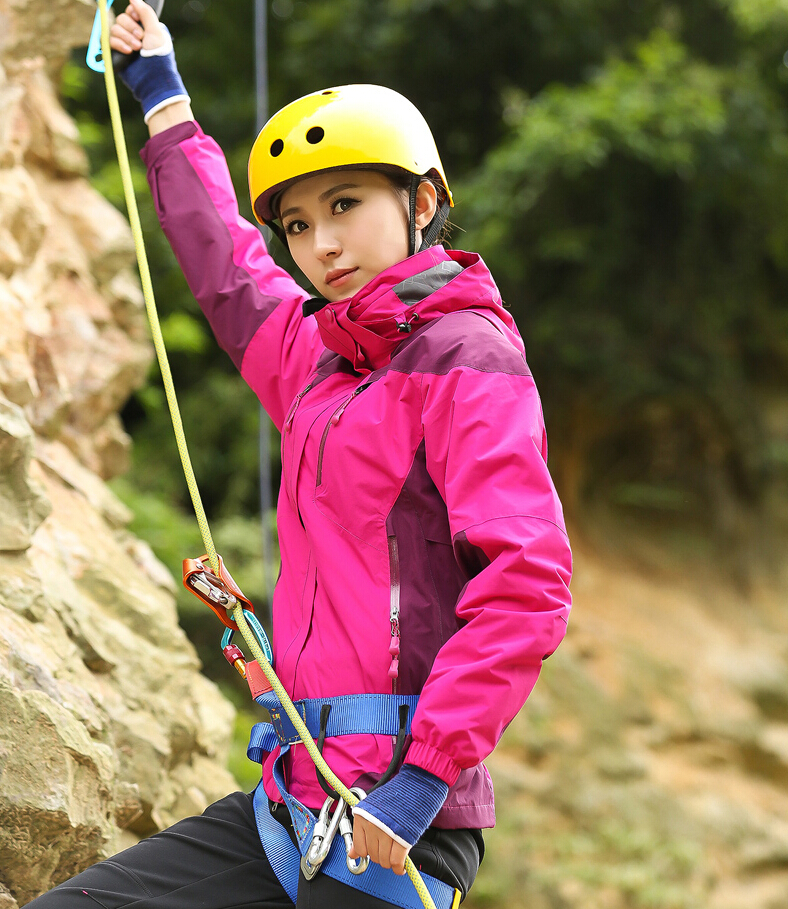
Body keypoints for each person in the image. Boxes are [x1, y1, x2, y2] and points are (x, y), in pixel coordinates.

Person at [27, 1, 572, 906]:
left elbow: (526, 580)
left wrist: (424, 777)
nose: (321, 242)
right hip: (292, 797)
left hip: (403, 823)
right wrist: (162, 91)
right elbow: (227, 264)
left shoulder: (468, 356)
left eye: (346, 205)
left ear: (423, 201)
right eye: (298, 225)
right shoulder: (314, 360)